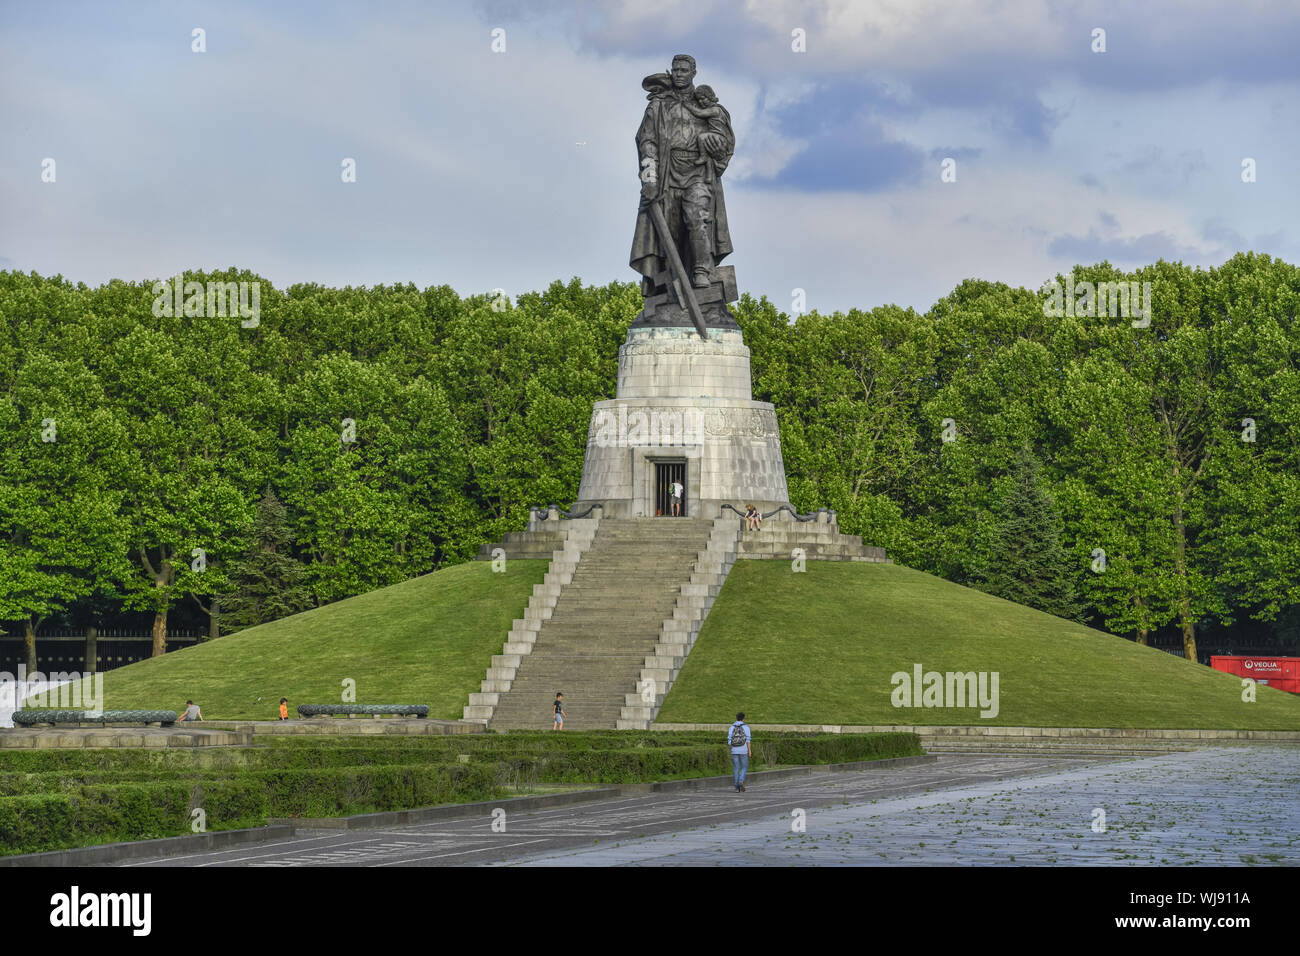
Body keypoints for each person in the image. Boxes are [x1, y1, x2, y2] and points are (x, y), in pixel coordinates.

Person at [728, 711, 752, 792]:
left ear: (736, 718)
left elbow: (729, 741)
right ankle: (741, 780)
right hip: (744, 750)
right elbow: (748, 740)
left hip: (734, 750)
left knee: (736, 769)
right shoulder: (746, 727)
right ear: (743, 718)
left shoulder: (731, 727)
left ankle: (736, 787)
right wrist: (749, 751)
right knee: (744, 767)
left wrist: (733, 748)